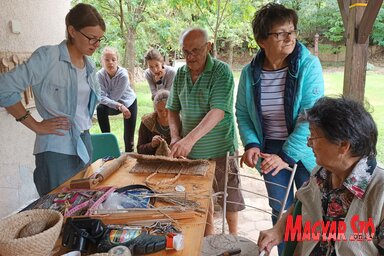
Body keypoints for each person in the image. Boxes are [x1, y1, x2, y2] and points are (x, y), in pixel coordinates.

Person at [235, 4, 324, 252]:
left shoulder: (308, 65)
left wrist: (285, 156)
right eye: (280, 33)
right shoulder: (249, 73)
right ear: (262, 40)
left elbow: (311, 116)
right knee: (280, 208)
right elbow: (242, 113)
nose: (289, 38)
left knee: (311, 209)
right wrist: (251, 143)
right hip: (269, 148)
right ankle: (285, 252)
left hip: (307, 147)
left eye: (292, 31)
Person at [0, 3, 105, 196]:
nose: (96, 44)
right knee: (57, 208)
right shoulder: (48, 57)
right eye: (91, 38)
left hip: (84, 142)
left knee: (81, 206)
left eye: (99, 39)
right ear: (72, 31)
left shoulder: (90, 65)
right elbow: (4, 88)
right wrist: (35, 125)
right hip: (57, 149)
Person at [258, 96, 384, 255]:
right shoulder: (322, 173)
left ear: (343, 145)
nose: (308, 143)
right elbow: (301, 203)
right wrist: (278, 230)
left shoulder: (380, 190)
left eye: (314, 137)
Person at [166, 28, 244, 235]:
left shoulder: (221, 71)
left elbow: (217, 112)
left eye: (195, 51)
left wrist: (189, 140)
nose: (190, 57)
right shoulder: (181, 74)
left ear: (208, 47)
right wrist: (175, 137)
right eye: (185, 52)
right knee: (201, 198)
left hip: (221, 148)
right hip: (191, 153)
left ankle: (234, 237)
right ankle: (208, 240)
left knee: (230, 197)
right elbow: (172, 109)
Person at [96, 47, 137, 152]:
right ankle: (107, 143)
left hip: (128, 103)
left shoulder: (123, 75)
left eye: (113, 59)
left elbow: (113, 97)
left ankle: (129, 153)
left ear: (117, 61)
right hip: (117, 106)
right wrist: (119, 106)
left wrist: (120, 105)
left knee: (128, 139)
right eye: (107, 60)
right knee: (100, 108)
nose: (110, 63)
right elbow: (100, 97)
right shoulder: (99, 75)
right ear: (102, 61)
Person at [137, 89, 171, 155]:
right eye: (160, 111)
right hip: (152, 162)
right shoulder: (147, 122)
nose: (164, 114)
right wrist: (151, 145)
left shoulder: (179, 122)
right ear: (155, 109)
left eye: (167, 110)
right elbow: (140, 149)